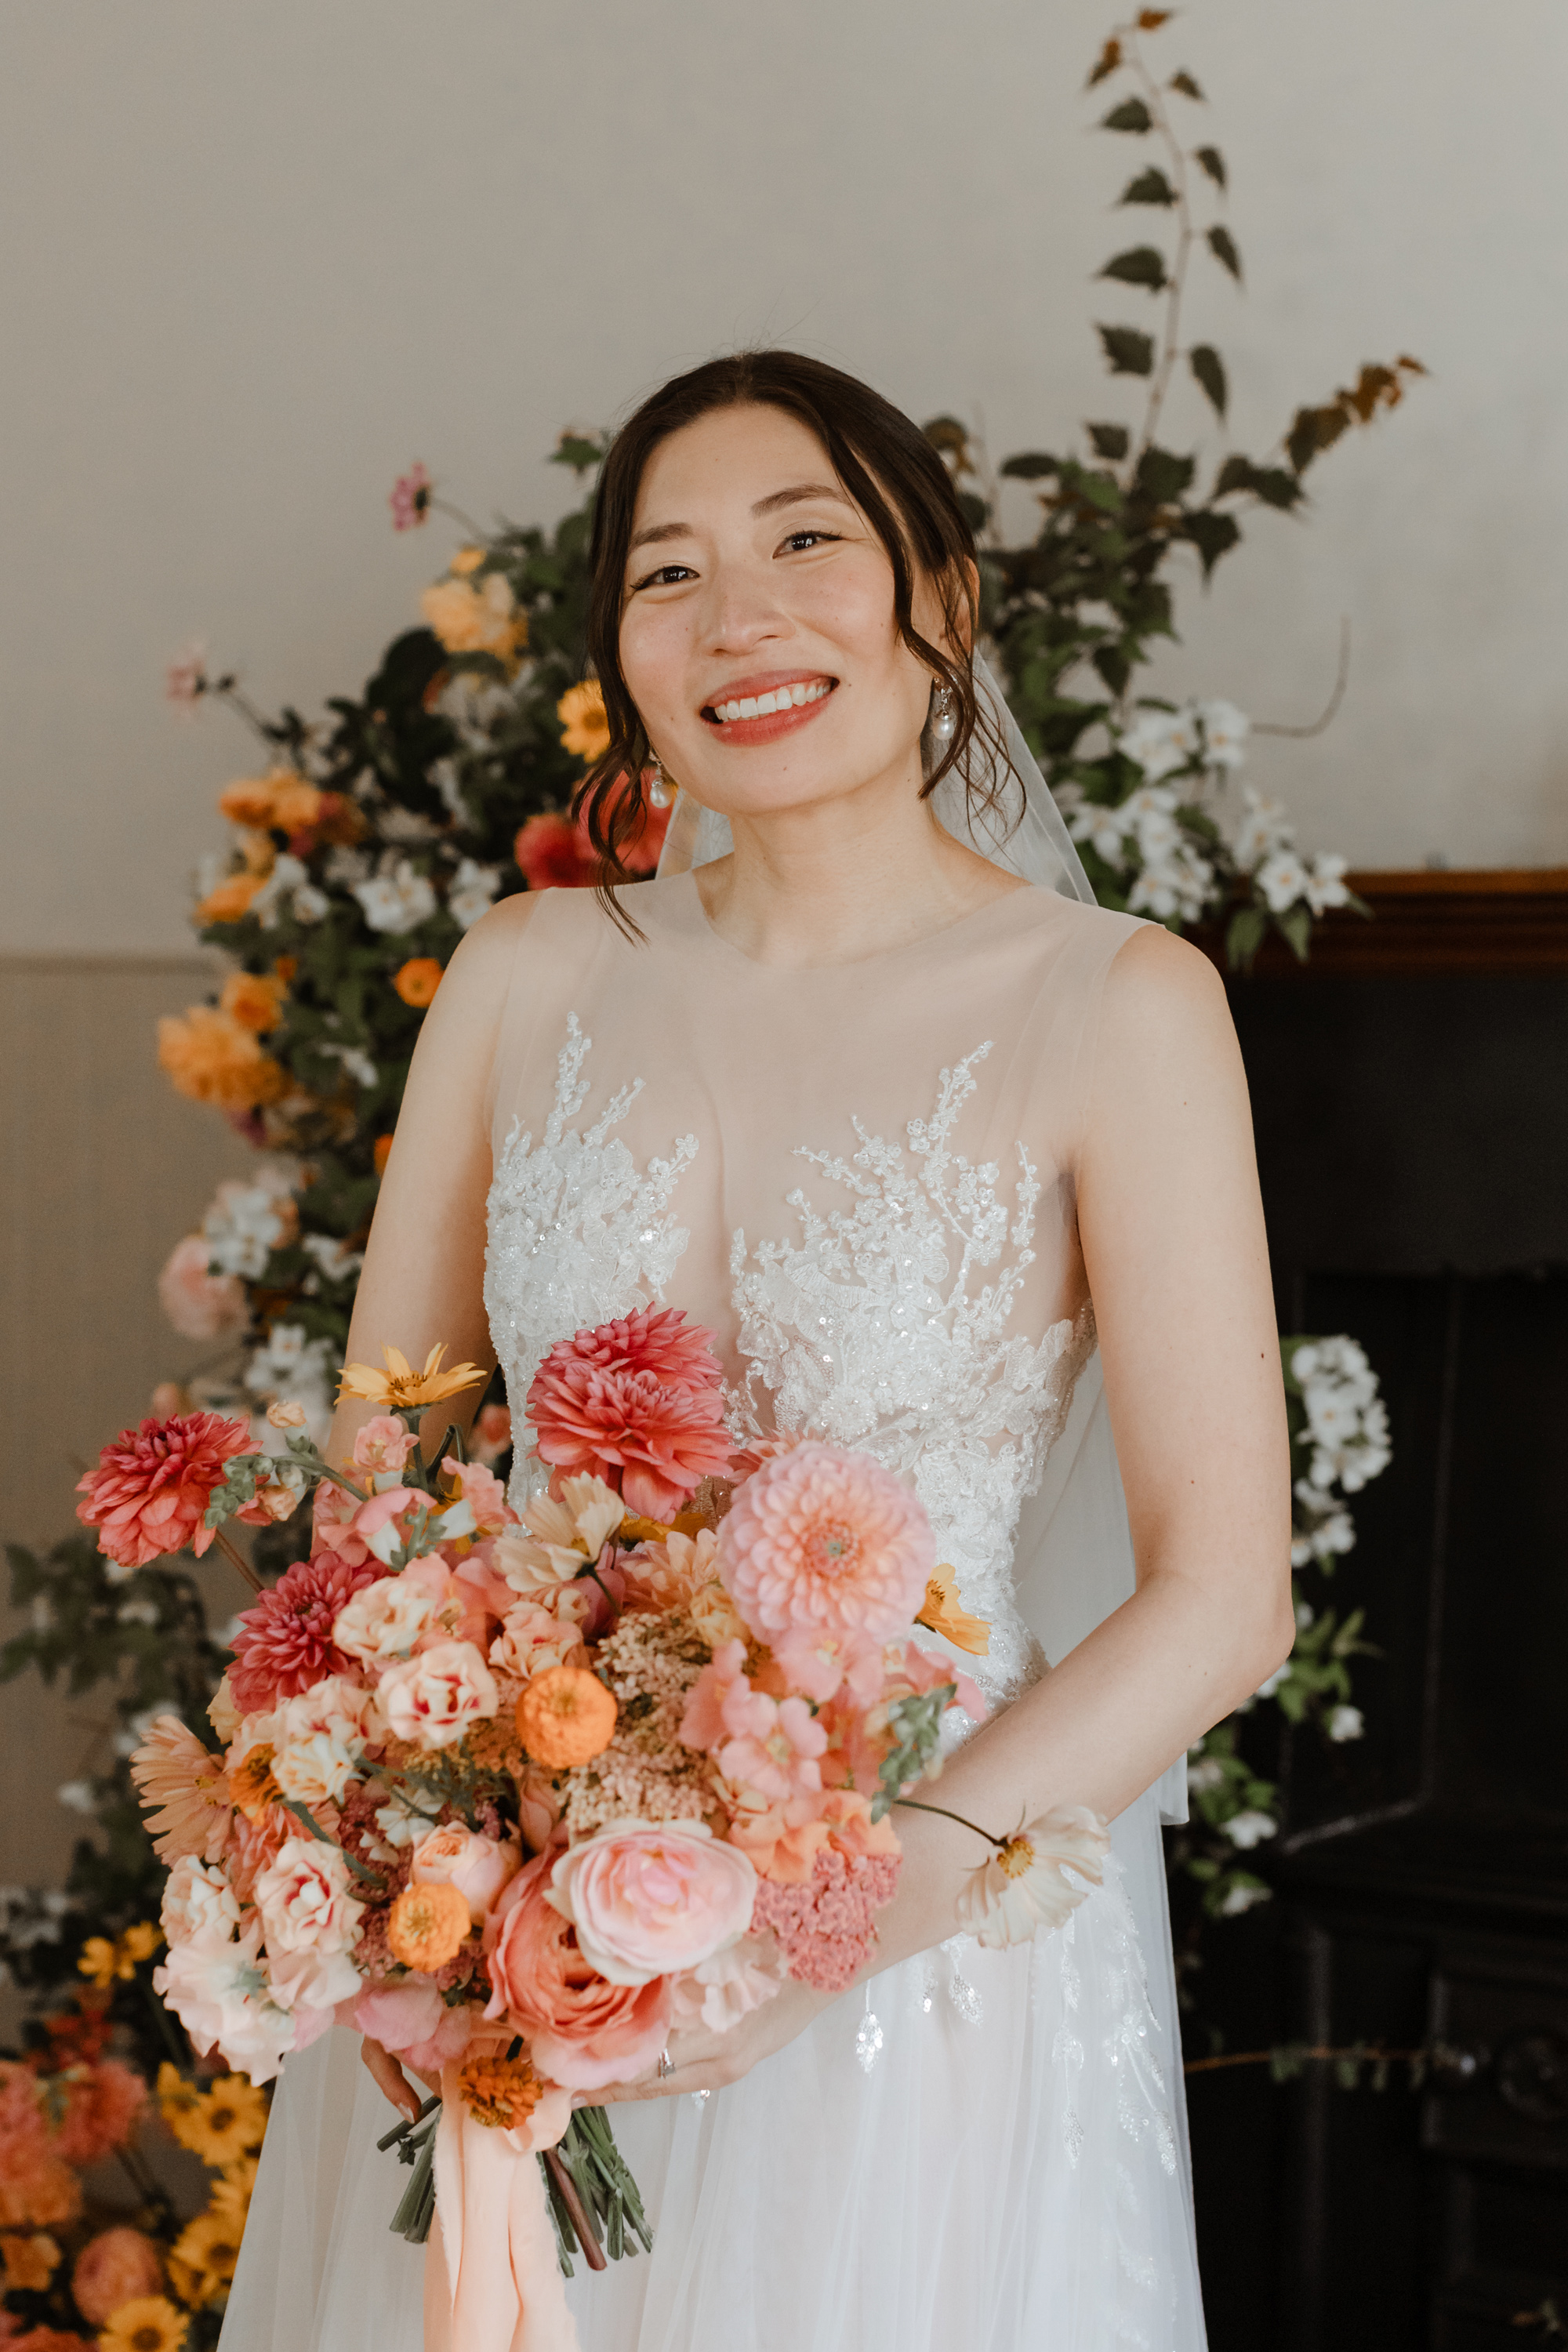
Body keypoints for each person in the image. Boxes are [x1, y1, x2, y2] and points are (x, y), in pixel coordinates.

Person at [221, 350, 1293, 2352]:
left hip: (911, 1957)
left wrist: (842, 1920)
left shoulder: (1117, 1006)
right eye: (668, 573)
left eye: (805, 543)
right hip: (515, 1925)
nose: (739, 619)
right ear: (620, 653)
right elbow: (379, 1491)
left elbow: (1224, 1600)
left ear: (937, 595)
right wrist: (382, 1840)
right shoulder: (526, 973)